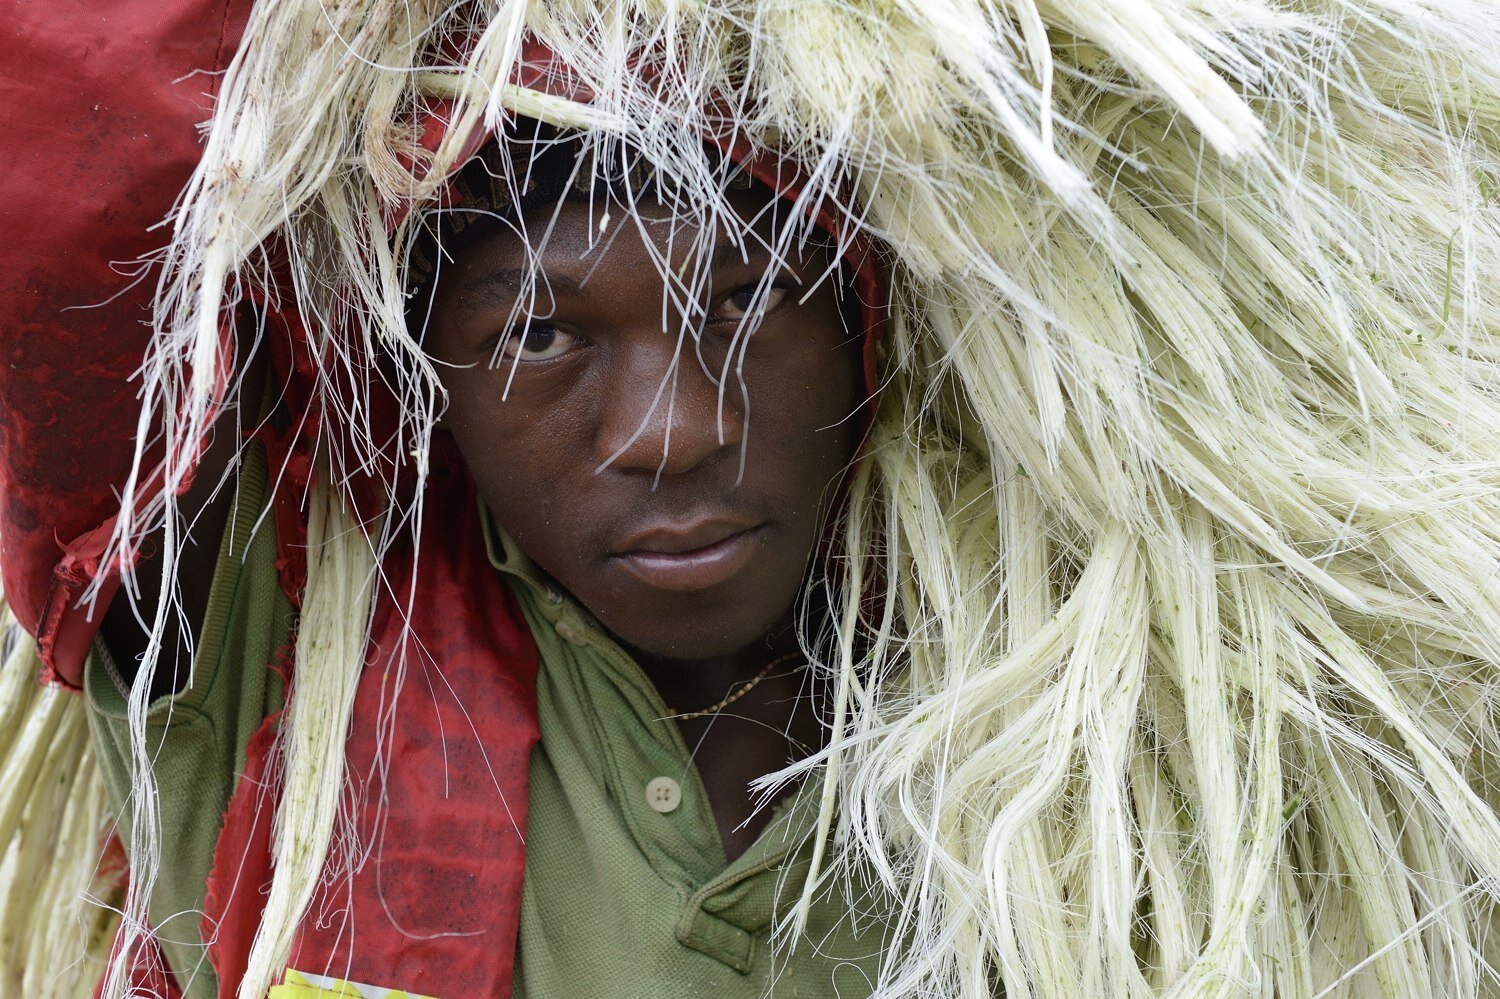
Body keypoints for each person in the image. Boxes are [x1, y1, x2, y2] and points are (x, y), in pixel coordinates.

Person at [4, 3, 1500, 998]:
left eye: (747, 302)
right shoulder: (255, 607)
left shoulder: (1122, 688)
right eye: (542, 334)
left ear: (867, 323)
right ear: (420, 384)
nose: (674, 431)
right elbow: (75, 129)